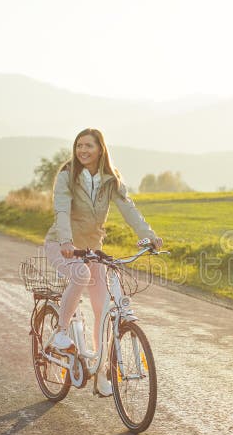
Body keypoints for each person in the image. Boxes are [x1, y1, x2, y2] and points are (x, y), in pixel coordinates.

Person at [43, 128, 162, 397]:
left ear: (101, 149)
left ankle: (100, 372)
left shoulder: (111, 180)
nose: (82, 151)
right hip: (62, 247)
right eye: (79, 146)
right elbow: (61, 210)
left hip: (92, 249)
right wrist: (65, 241)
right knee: (81, 275)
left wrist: (149, 236)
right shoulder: (67, 176)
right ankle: (61, 332)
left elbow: (129, 208)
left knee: (103, 308)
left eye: (88, 146)